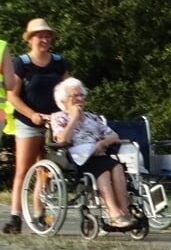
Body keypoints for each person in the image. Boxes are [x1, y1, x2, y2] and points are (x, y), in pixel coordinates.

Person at [48, 78, 142, 230]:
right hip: (76, 159)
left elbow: (114, 136)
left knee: (117, 167)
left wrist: (102, 143)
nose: (80, 99)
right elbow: (62, 139)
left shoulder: (93, 118)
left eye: (82, 95)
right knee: (102, 172)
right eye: (75, 96)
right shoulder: (58, 117)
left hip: (98, 154)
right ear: (64, 100)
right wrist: (73, 119)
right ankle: (114, 213)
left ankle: (124, 211)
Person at [7, 19, 70, 235]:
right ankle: (15, 217)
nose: (44, 40)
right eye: (39, 36)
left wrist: (70, 113)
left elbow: (68, 90)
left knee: (46, 169)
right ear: (30, 39)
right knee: (23, 169)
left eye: (47, 36)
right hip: (29, 121)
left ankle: (40, 213)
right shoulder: (22, 64)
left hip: (54, 121)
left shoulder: (58, 62)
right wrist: (32, 115)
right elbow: (12, 96)